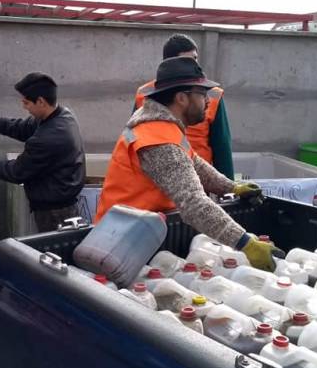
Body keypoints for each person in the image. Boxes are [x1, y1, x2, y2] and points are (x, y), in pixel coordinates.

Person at [96, 57, 282, 271]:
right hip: (122, 245)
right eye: (202, 94)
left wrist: (231, 187)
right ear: (182, 98)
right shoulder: (159, 142)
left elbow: (194, 162)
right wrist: (246, 244)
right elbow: (193, 204)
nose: (208, 102)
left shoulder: (160, 123)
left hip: (134, 233)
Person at [0, 72, 85, 232]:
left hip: (55, 212)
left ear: (41, 101)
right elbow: (24, 128)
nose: (24, 106)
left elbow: (19, 170)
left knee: (54, 253)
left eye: (26, 102)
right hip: (62, 203)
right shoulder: (61, 116)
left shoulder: (49, 137)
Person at [134, 34, 234, 179]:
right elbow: (137, 139)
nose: (196, 65)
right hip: (158, 180)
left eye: (196, 58)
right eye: (190, 60)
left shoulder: (214, 95)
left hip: (199, 178)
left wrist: (230, 190)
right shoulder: (144, 94)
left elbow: (222, 147)